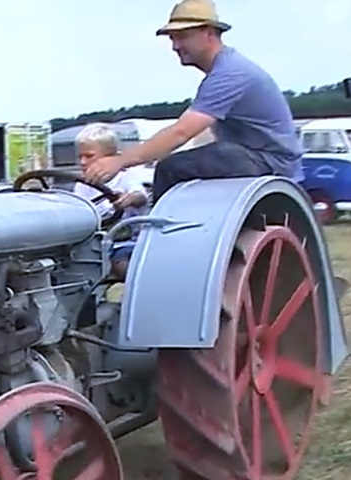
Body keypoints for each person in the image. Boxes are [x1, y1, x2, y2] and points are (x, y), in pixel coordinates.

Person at [82, 0, 300, 202]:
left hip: (271, 162)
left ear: (208, 33)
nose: (175, 46)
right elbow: (199, 135)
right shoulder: (222, 71)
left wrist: (119, 161)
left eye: (182, 36)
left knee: (171, 168)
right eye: (172, 38)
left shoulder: (230, 74)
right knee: (190, 160)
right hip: (257, 157)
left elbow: (181, 132)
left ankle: (159, 236)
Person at [72, 123, 150, 281]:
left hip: (125, 240)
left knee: (121, 264)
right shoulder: (81, 185)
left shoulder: (125, 177)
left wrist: (129, 198)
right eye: (80, 157)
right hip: (92, 243)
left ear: (112, 158)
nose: (82, 162)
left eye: (89, 156)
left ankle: (133, 292)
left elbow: (140, 196)